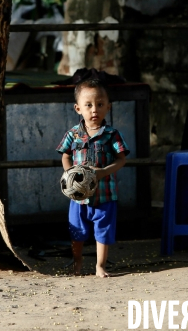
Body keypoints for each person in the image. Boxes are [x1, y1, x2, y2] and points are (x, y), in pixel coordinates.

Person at [56, 79, 130, 278]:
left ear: (108, 107)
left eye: (99, 104)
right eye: (88, 105)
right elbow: (65, 155)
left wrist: (102, 172)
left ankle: (100, 266)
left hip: (105, 194)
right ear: (78, 108)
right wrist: (70, 175)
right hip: (78, 196)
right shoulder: (73, 134)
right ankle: (77, 263)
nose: (94, 109)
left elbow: (121, 160)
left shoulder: (112, 135)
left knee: (103, 231)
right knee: (77, 231)